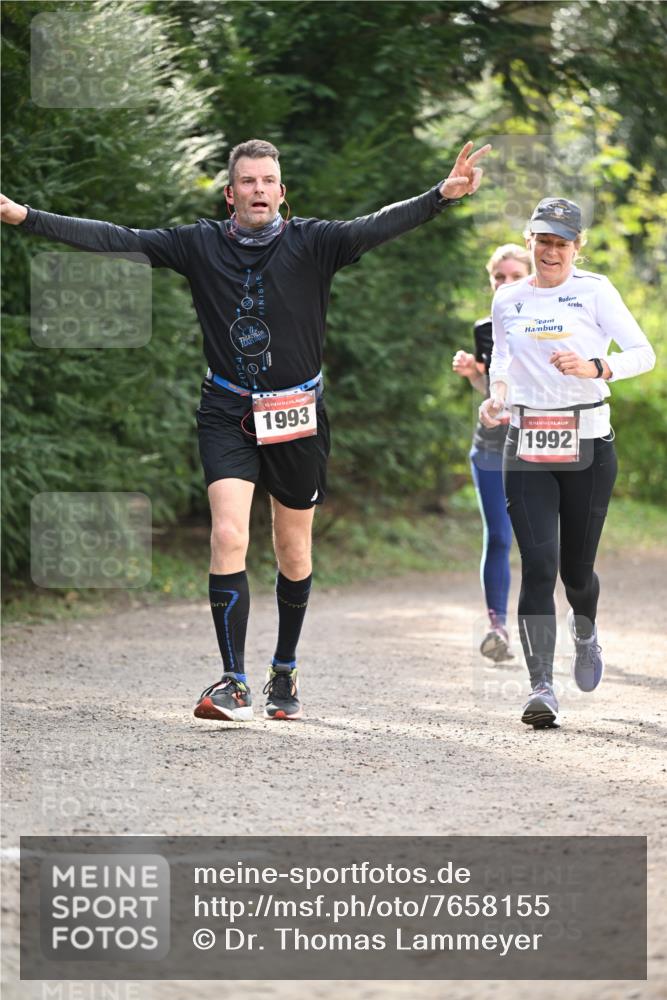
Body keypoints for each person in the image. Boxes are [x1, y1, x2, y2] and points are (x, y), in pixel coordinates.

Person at [1, 137, 491, 723]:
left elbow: (377, 225)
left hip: (296, 413)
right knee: (229, 534)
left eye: (269, 182)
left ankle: (283, 669)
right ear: (230, 194)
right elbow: (120, 239)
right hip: (227, 408)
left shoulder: (315, 242)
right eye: (249, 182)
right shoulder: (198, 245)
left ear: (282, 194)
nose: (259, 190)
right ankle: (232, 681)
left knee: (292, 548)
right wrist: (23, 216)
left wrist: (441, 195)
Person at [479, 197, 655, 729]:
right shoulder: (509, 298)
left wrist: (596, 366)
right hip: (528, 440)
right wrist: (498, 394)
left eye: (561, 242)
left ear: (577, 247)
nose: (550, 251)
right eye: (542, 240)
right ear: (529, 242)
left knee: (577, 573)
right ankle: (541, 687)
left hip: (589, 442)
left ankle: (585, 629)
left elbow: (643, 353)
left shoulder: (595, 291)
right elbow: (504, 357)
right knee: (537, 566)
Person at [452, 244, 531, 661]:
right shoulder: (485, 328)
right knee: (499, 537)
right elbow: (492, 391)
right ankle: (497, 627)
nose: (506, 284)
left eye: (515, 276)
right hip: (490, 449)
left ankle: (571, 616)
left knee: (545, 542)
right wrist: (474, 376)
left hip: (539, 447)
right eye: (499, 277)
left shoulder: (554, 323)